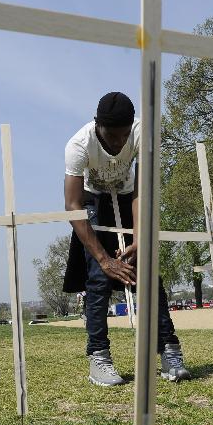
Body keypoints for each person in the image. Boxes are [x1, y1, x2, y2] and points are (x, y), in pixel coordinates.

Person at [63, 91, 191, 386]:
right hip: (92, 200)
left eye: (124, 136)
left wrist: (141, 237)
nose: (120, 142)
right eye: (112, 136)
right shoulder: (79, 145)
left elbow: (142, 191)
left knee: (146, 271)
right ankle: (99, 356)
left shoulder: (142, 133)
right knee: (97, 278)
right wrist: (104, 259)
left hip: (127, 197)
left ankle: (169, 351)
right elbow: (73, 206)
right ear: (98, 125)